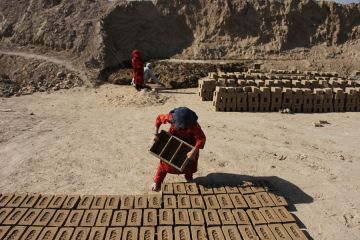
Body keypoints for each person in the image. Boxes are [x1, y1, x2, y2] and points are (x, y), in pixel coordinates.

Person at [152, 107, 206, 191]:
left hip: (189, 142)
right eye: (180, 127)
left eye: (185, 128)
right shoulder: (170, 117)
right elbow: (159, 118)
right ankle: (157, 181)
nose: (182, 129)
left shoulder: (194, 125)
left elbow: (201, 138)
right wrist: (155, 133)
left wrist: (194, 151)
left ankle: (189, 177)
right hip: (173, 140)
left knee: (189, 163)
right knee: (165, 163)